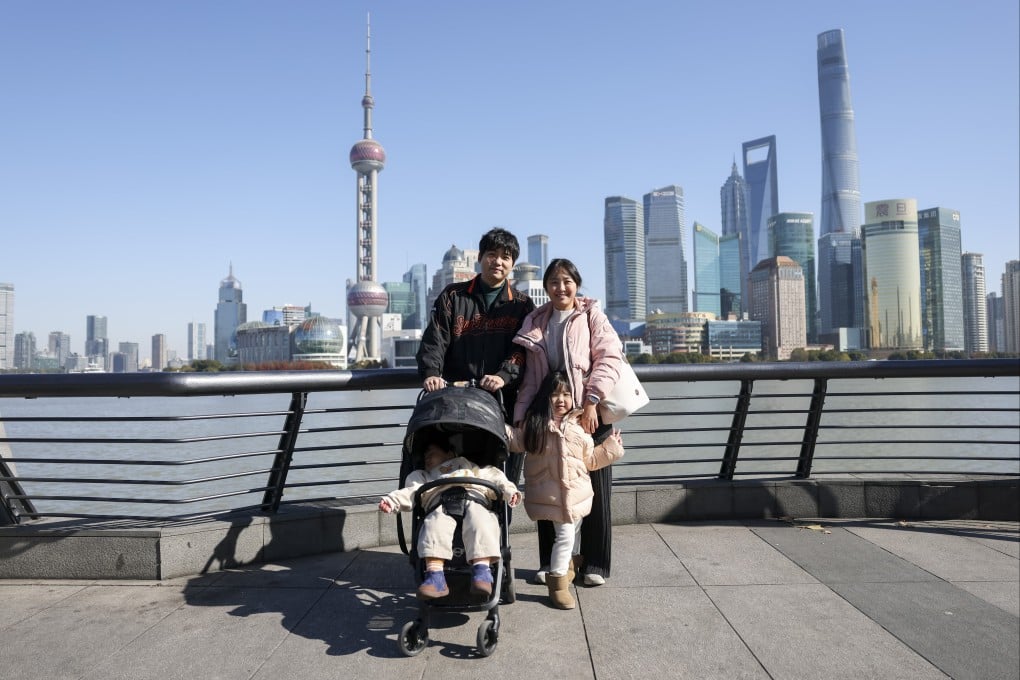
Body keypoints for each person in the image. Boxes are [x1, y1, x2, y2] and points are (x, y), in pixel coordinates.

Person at [512, 258, 625, 587]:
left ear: (576, 284)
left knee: (596, 490)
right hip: (548, 418)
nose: (561, 288)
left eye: (567, 281)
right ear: (546, 287)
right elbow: (531, 380)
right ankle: (551, 563)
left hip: (589, 414)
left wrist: (591, 401)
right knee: (546, 486)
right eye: (554, 282)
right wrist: (521, 417)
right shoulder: (536, 322)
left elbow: (609, 358)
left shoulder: (591, 315)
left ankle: (594, 563)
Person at [506, 371, 623, 609]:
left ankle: (569, 565)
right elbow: (515, 440)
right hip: (551, 496)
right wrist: (497, 425)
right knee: (566, 535)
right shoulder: (535, 424)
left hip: (576, 495)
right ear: (545, 398)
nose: (561, 400)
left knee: (572, 530)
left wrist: (611, 449)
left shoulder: (579, 426)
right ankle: (558, 584)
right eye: (555, 395)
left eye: (567, 394)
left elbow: (590, 460)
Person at [379, 432, 522, 599]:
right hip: (439, 504)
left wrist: (510, 492)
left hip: (474, 498)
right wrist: (392, 501)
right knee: (433, 525)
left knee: (482, 521)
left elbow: (497, 478)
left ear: (450, 453)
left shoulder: (471, 467)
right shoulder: (423, 475)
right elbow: (410, 491)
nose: (427, 458)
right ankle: (435, 576)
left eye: (431, 453)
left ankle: (482, 571)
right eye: (425, 456)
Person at [415, 227, 535, 418]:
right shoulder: (453, 296)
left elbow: (523, 349)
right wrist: (431, 373)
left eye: (505, 257)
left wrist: (503, 375)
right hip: (454, 400)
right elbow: (435, 340)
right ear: (480, 257)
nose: (498, 262)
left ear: (512, 264)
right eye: (492, 255)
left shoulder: (522, 305)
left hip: (501, 401)